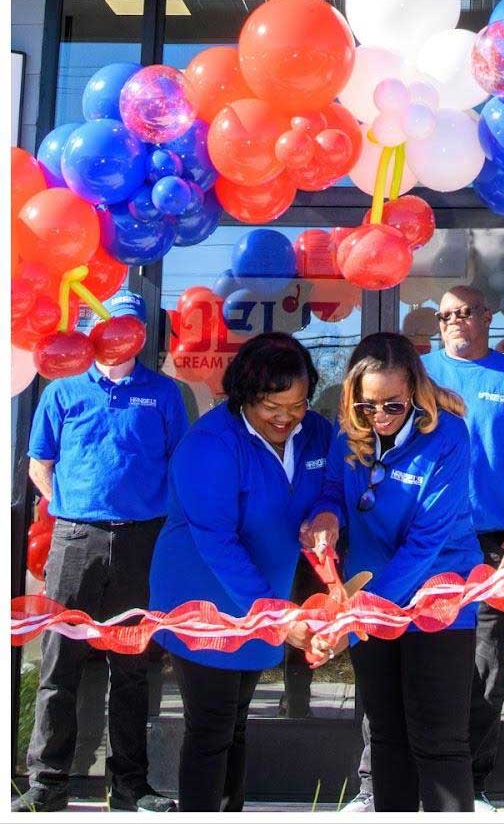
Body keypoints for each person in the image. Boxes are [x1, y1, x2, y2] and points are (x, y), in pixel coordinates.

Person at [344, 287, 504, 813]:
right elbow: (340, 480)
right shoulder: (410, 377)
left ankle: (476, 782)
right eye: (445, 315)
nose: (456, 322)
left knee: (480, 672)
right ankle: (376, 790)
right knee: (387, 701)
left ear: (487, 317)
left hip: (480, 549)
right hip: (386, 564)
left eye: (465, 312)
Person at [146, 333, 335, 812]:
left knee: (235, 721)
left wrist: (328, 515)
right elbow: (217, 542)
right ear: (245, 395)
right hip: (204, 596)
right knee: (210, 725)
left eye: (296, 404)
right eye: (272, 405)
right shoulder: (209, 445)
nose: (285, 417)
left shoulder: (315, 432)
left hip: (264, 593)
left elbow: (334, 483)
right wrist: (277, 615)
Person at [16, 294, 187, 813]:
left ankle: (131, 788)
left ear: (140, 334)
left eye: (128, 326)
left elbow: (180, 465)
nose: (116, 335)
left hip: (142, 541)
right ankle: (47, 784)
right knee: (59, 665)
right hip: (74, 541)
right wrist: (68, 506)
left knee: (132, 667)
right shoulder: (62, 390)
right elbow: (39, 461)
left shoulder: (165, 394)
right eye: (107, 324)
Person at [305, 332, 481, 812]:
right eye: (367, 407)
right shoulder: (348, 431)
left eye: (392, 406)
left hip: (434, 600)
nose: (379, 417)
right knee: (386, 735)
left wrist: (359, 615)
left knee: (439, 741)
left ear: (416, 396)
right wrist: (327, 518)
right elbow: (331, 492)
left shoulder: (447, 437)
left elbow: (427, 543)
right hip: (369, 596)